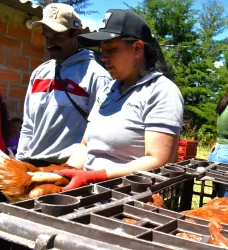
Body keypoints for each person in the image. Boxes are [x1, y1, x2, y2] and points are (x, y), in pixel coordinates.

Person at [54, 9, 184, 190]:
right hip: (90, 194)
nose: (103, 57)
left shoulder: (161, 91)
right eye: (101, 50)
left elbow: (159, 160)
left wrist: (96, 176)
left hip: (126, 200)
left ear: (137, 48)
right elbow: (86, 145)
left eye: (111, 48)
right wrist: (64, 173)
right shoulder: (108, 89)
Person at [16, 3, 112, 167]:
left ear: (75, 34)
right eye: (47, 37)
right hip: (30, 164)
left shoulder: (97, 76)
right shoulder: (39, 74)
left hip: (67, 169)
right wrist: (20, 161)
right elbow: (28, 124)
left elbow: (101, 132)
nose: (50, 43)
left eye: (57, 36)